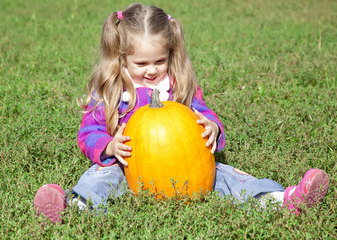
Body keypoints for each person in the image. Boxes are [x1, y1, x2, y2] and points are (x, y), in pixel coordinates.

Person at [33, 4, 329, 224]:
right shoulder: (110, 89)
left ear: (171, 54)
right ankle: (73, 207)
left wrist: (212, 127)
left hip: (184, 167)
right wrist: (108, 146)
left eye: (160, 61)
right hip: (126, 165)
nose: (151, 70)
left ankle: (278, 199)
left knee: (225, 176)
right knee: (100, 179)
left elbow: (202, 113)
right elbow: (88, 133)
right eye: (142, 63)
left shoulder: (177, 84)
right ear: (121, 58)